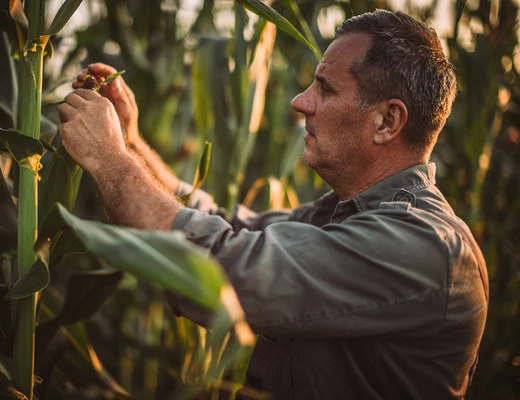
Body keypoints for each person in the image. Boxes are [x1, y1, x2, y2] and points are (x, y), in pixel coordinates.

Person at [57, 9, 488, 400]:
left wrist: (109, 160)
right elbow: (225, 226)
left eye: (325, 89)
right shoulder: (345, 215)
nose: (301, 102)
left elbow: (224, 270)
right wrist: (131, 145)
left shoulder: (421, 246)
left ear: (386, 121)